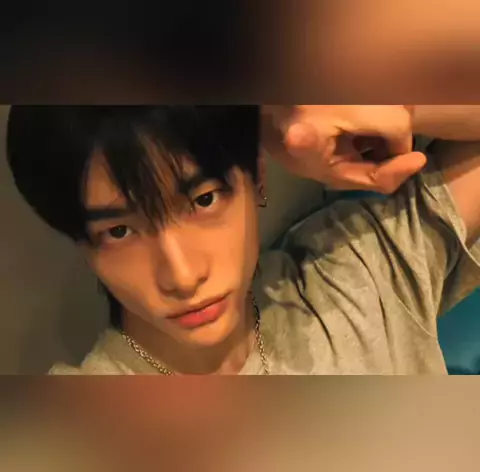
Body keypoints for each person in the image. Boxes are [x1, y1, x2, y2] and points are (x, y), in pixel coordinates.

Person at [6, 105, 480, 375]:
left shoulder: (354, 271)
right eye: (119, 231)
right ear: (82, 244)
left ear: (256, 174)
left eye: (204, 200)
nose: (183, 275)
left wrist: (368, 106)